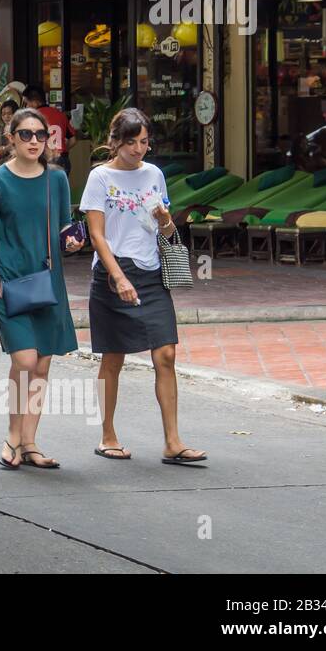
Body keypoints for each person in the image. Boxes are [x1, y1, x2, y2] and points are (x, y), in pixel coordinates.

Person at [81, 108, 206, 466]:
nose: (139, 149)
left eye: (145, 141)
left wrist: (166, 220)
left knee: (166, 353)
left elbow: (166, 233)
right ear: (116, 142)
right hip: (112, 274)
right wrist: (118, 275)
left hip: (151, 272)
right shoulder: (100, 178)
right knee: (114, 356)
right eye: (132, 142)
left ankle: (173, 441)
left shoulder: (154, 174)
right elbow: (97, 235)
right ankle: (107, 435)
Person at [0, 108, 83, 470]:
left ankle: (29, 442)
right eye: (26, 134)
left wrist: (74, 241)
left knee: (43, 364)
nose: (34, 141)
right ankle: (12, 436)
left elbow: (64, 228)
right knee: (25, 360)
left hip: (48, 283)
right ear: (11, 138)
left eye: (40, 135)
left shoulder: (57, 179)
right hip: (10, 283)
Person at [23, 85, 75, 171]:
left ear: (35, 102)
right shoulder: (60, 114)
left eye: (27, 103)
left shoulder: (34, 116)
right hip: (63, 159)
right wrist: (63, 149)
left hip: (45, 159)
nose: (26, 107)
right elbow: (73, 140)